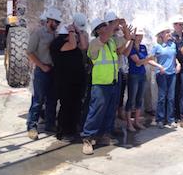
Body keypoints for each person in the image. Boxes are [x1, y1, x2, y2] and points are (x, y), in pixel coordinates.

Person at [81, 18, 119, 155]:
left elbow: (126, 39)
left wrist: (124, 27)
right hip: (100, 84)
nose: (107, 27)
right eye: (104, 26)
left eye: (106, 25)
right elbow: (104, 37)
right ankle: (87, 138)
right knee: (96, 111)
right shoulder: (94, 44)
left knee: (109, 111)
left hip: (112, 82)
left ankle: (105, 135)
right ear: (98, 30)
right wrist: (114, 24)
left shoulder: (111, 42)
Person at [26, 7, 62, 140]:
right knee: (38, 100)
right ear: (49, 20)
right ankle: (32, 126)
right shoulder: (38, 33)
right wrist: (41, 65)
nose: (57, 25)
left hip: (53, 71)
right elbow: (29, 52)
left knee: (52, 100)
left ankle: (50, 125)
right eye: (56, 22)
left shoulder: (56, 35)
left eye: (58, 23)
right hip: (42, 70)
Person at [50, 24, 87, 141]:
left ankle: (73, 129)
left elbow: (84, 46)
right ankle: (63, 131)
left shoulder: (73, 43)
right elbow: (71, 45)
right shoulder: (57, 44)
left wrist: (79, 32)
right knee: (66, 106)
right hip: (64, 81)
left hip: (76, 80)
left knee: (76, 105)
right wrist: (71, 31)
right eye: (72, 35)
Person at [149, 24, 180, 129]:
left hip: (172, 74)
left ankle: (170, 119)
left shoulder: (173, 45)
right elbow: (150, 60)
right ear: (161, 35)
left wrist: (178, 63)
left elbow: (173, 57)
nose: (169, 34)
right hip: (161, 74)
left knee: (171, 97)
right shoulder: (157, 46)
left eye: (168, 32)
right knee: (162, 97)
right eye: (166, 32)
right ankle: (160, 119)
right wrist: (159, 66)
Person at [125, 27, 152, 131]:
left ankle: (136, 121)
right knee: (131, 99)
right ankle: (129, 123)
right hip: (133, 75)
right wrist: (147, 59)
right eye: (137, 36)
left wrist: (145, 61)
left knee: (139, 98)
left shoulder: (143, 47)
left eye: (141, 36)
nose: (139, 38)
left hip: (142, 74)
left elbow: (143, 62)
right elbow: (138, 62)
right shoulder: (131, 48)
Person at [171, 14, 183, 121]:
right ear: (174, 25)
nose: (180, 26)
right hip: (175, 67)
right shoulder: (171, 37)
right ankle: (175, 114)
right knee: (175, 91)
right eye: (178, 24)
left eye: (181, 24)